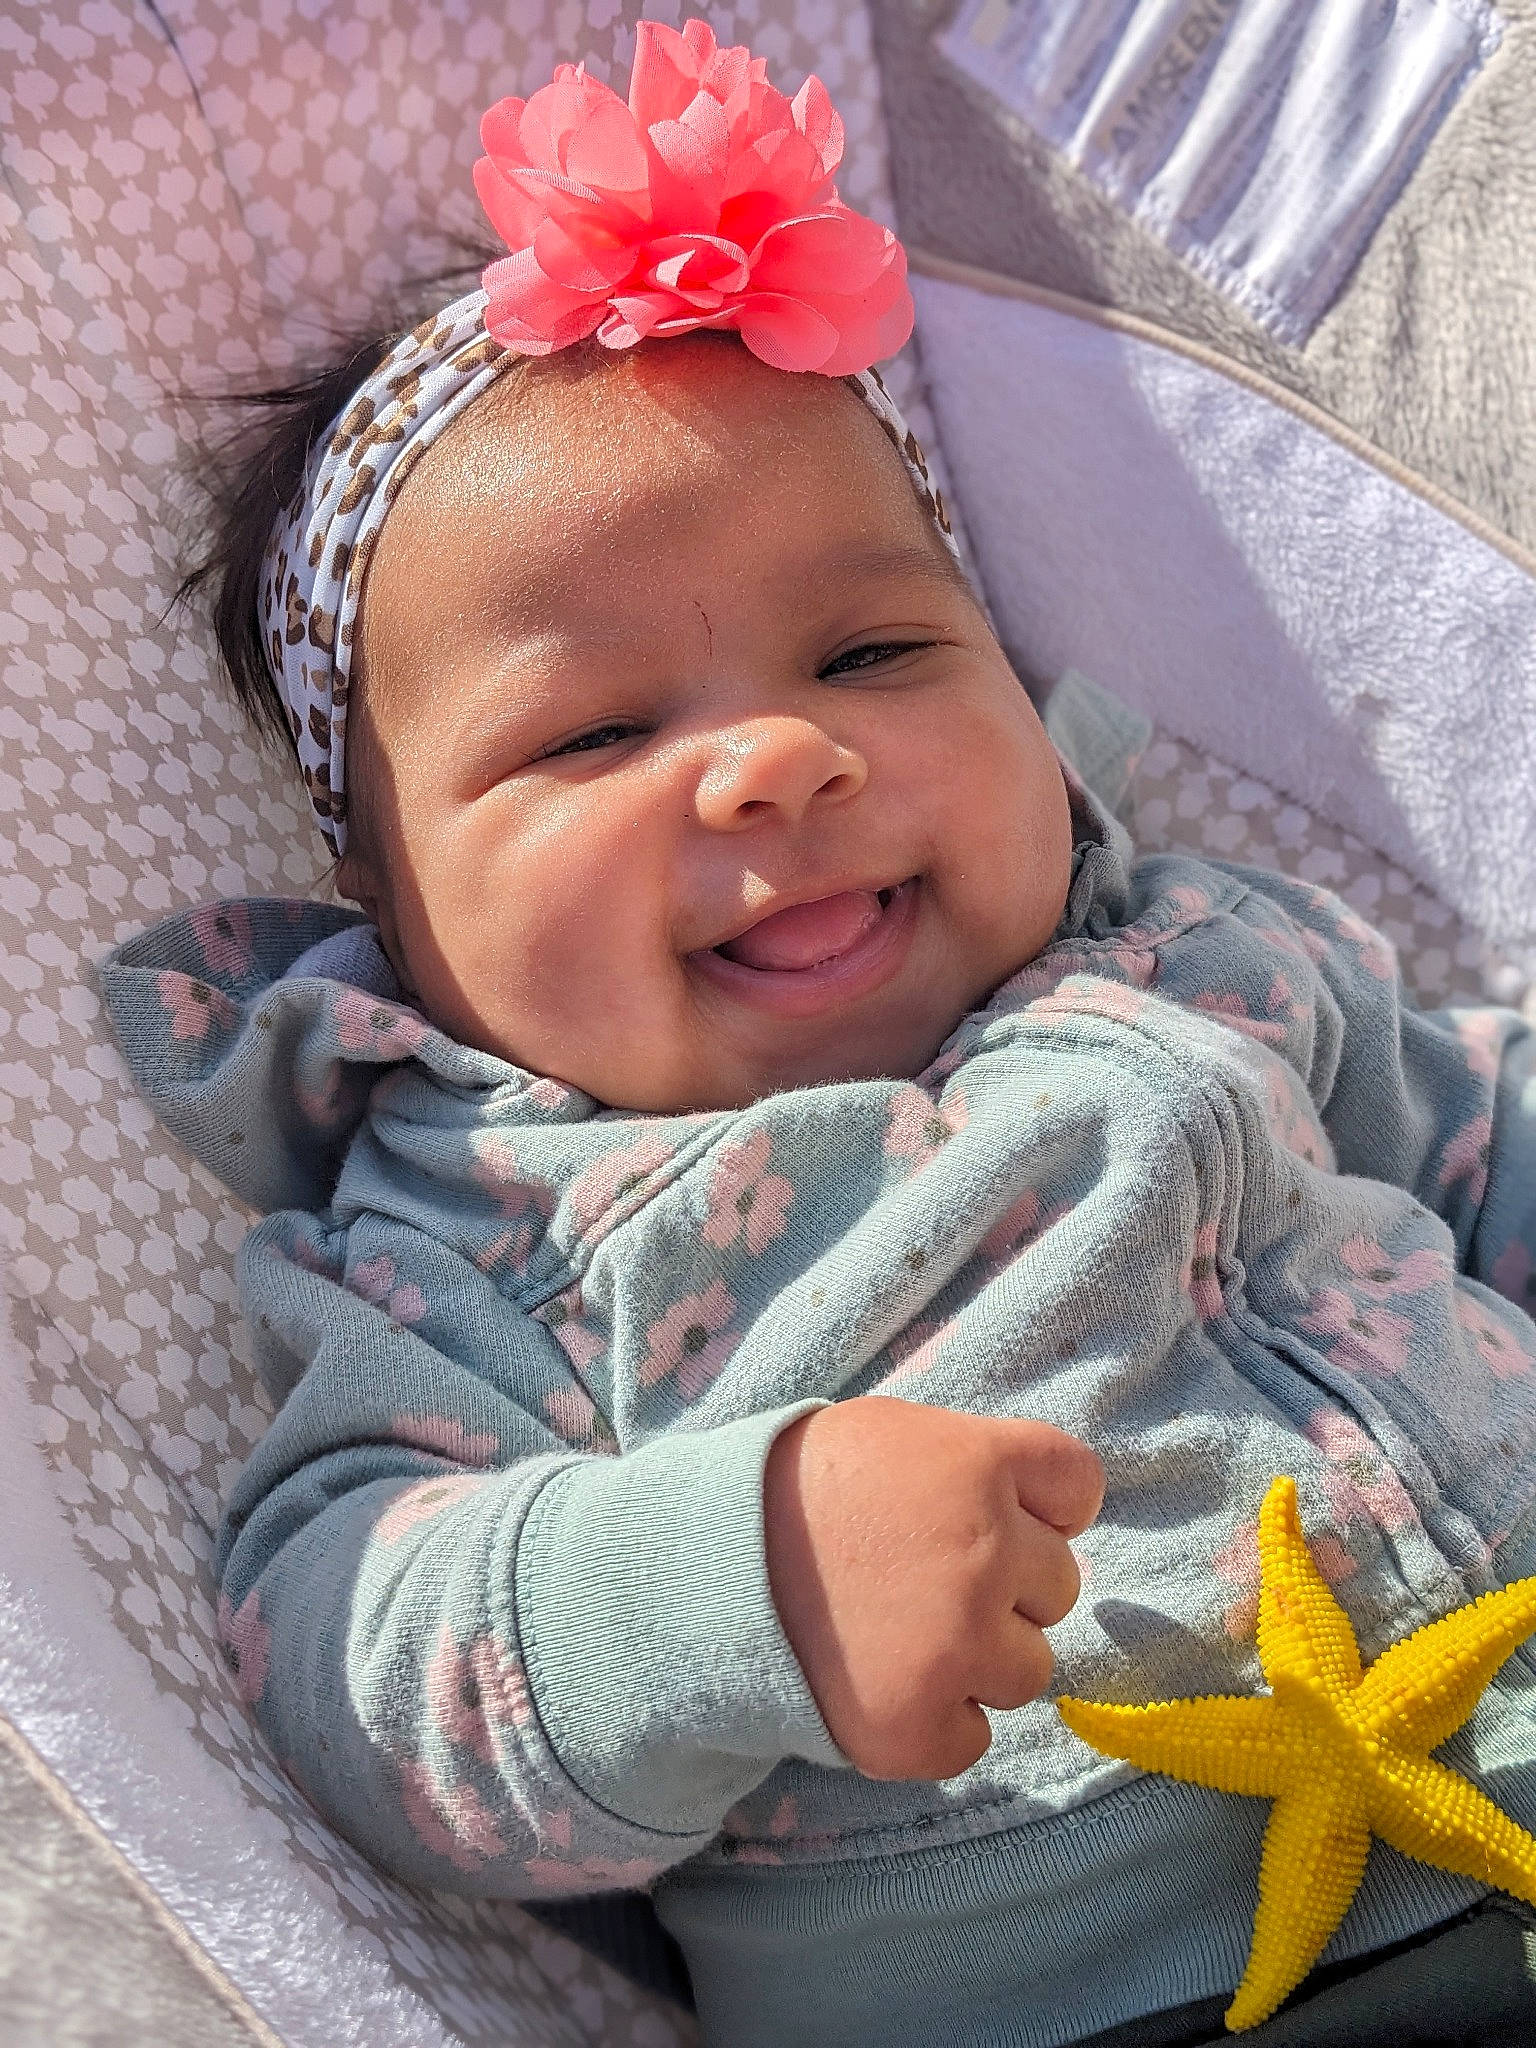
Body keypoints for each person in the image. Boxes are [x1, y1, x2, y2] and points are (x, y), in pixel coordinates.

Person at [97, 19, 1536, 2046]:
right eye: (598, 732)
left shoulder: (1205, 958)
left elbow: (1483, 1144)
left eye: (872, 651)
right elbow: (359, 1650)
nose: (778, 759)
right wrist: (740, 1575)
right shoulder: (465, 1225)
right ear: (387, 905)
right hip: (1079, 1990)